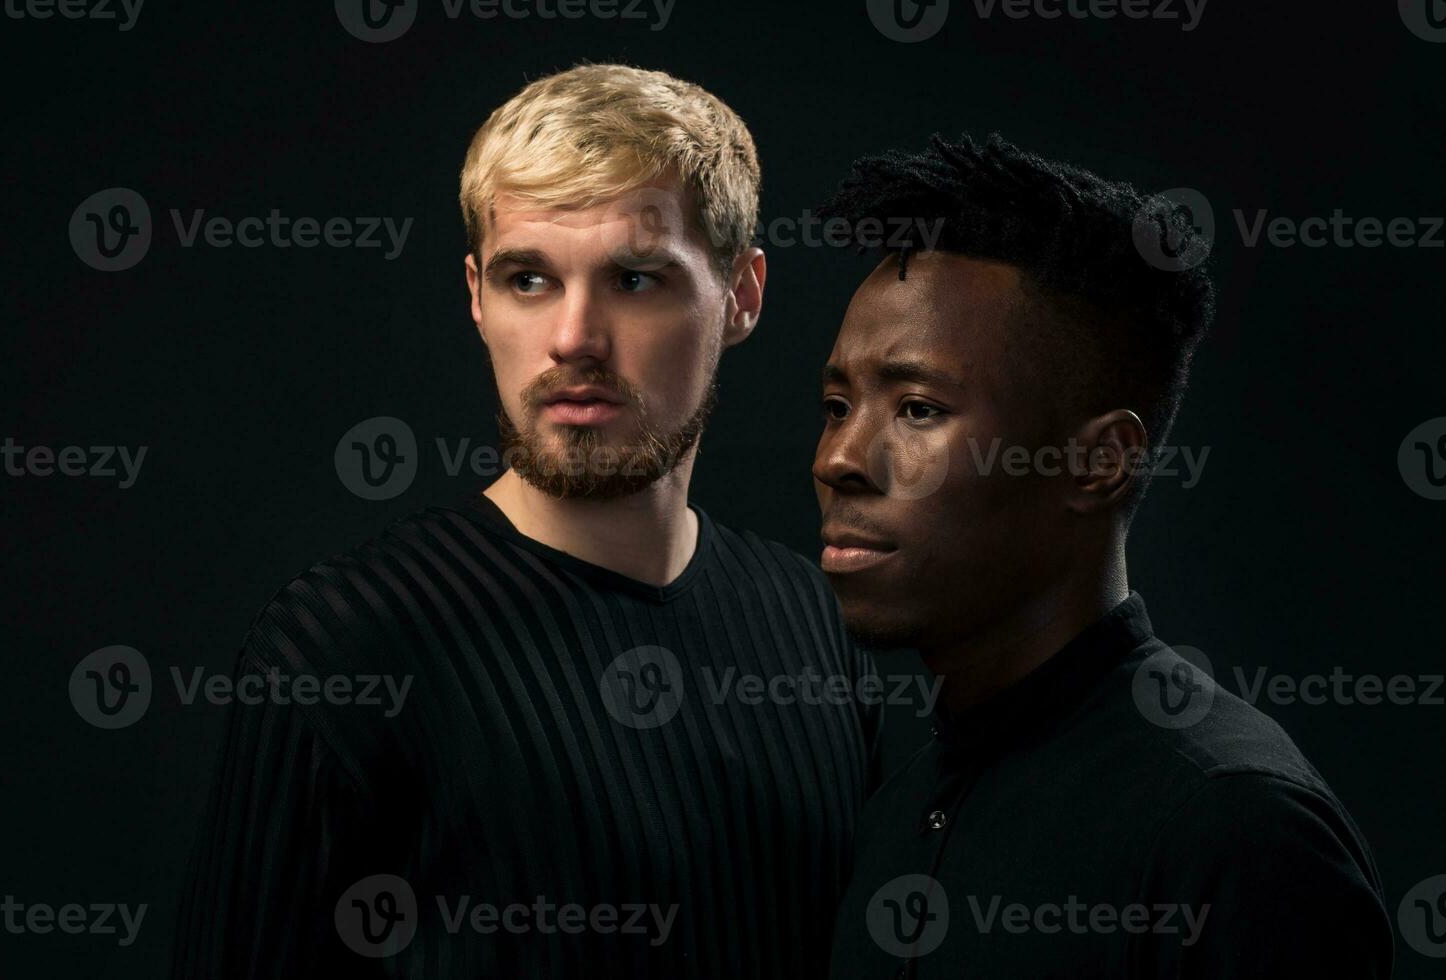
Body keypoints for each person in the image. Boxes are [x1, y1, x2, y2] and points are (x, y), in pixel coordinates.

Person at [172, 63, 881, 979]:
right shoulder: (346, 649)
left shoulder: (815, 620)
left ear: (741, 295)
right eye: (529, 279)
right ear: (476, 295)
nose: (574, 339)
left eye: (633, 278)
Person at [813, 133, 1392, 978]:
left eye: (919, 409)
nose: (839, 457)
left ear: (1098, 461)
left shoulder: (1232, 829)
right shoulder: (902, 802)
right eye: (836, 403)